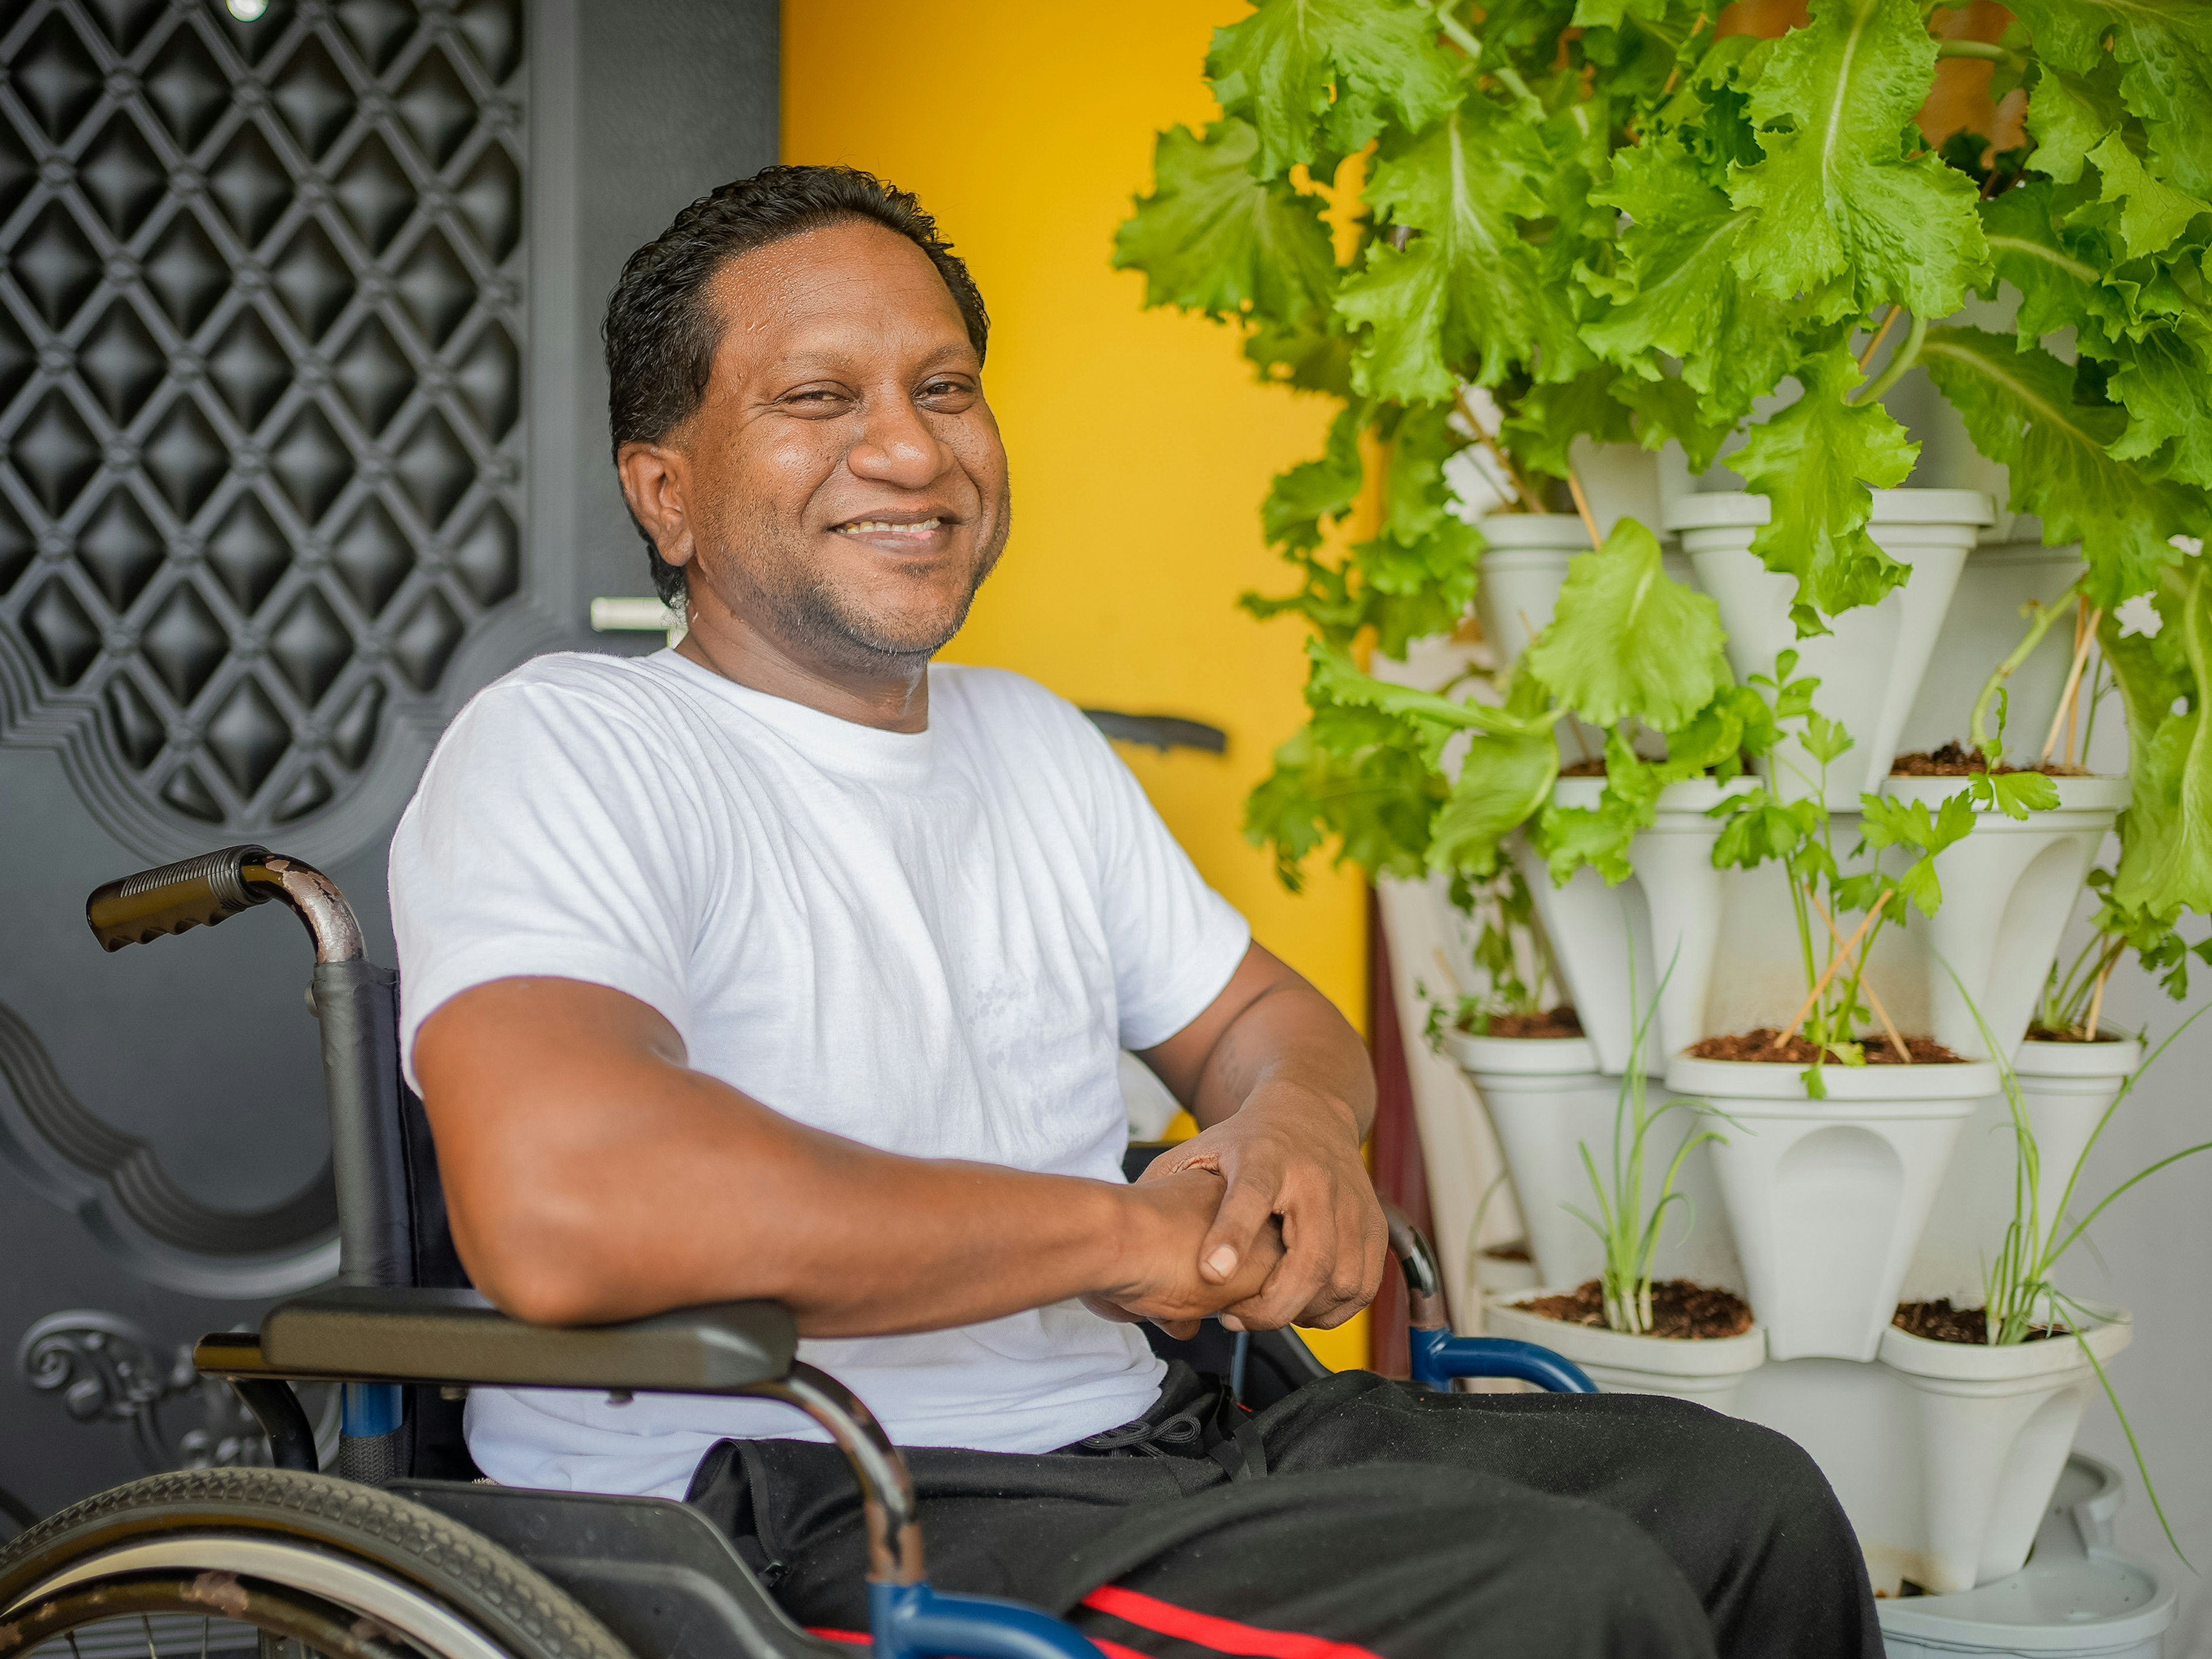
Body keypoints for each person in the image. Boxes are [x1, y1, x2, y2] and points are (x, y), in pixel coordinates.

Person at [392, 164, 1881, 1659]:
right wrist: (1115, 1236)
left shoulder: (1028, 741)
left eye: (946, 387)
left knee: (1753, 1507)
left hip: (1138, 1434)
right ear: (668, 492)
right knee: (1560, 1605)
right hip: (798, 1496)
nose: (909, 449)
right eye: (819, 400)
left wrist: (1288, 1129)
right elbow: (563, 1207)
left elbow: (1258, 1021)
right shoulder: (573, 747)